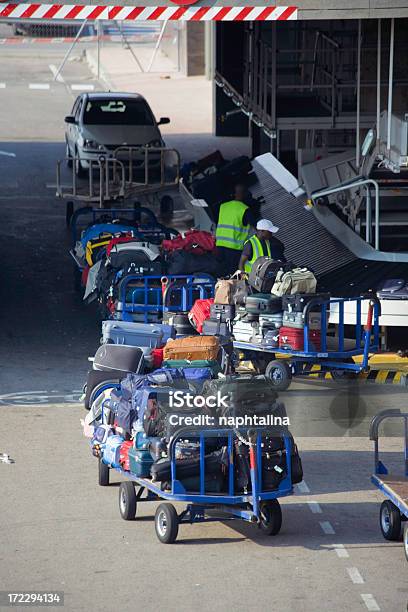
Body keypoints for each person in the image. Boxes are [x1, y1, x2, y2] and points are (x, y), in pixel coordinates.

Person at [215, 184, 257, 275]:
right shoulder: (245, 209)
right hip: (234, 249)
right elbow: (256, 227)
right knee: (233, 275)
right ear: (244, 194)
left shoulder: (223, 206)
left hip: (219, 246)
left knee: (221, 274)